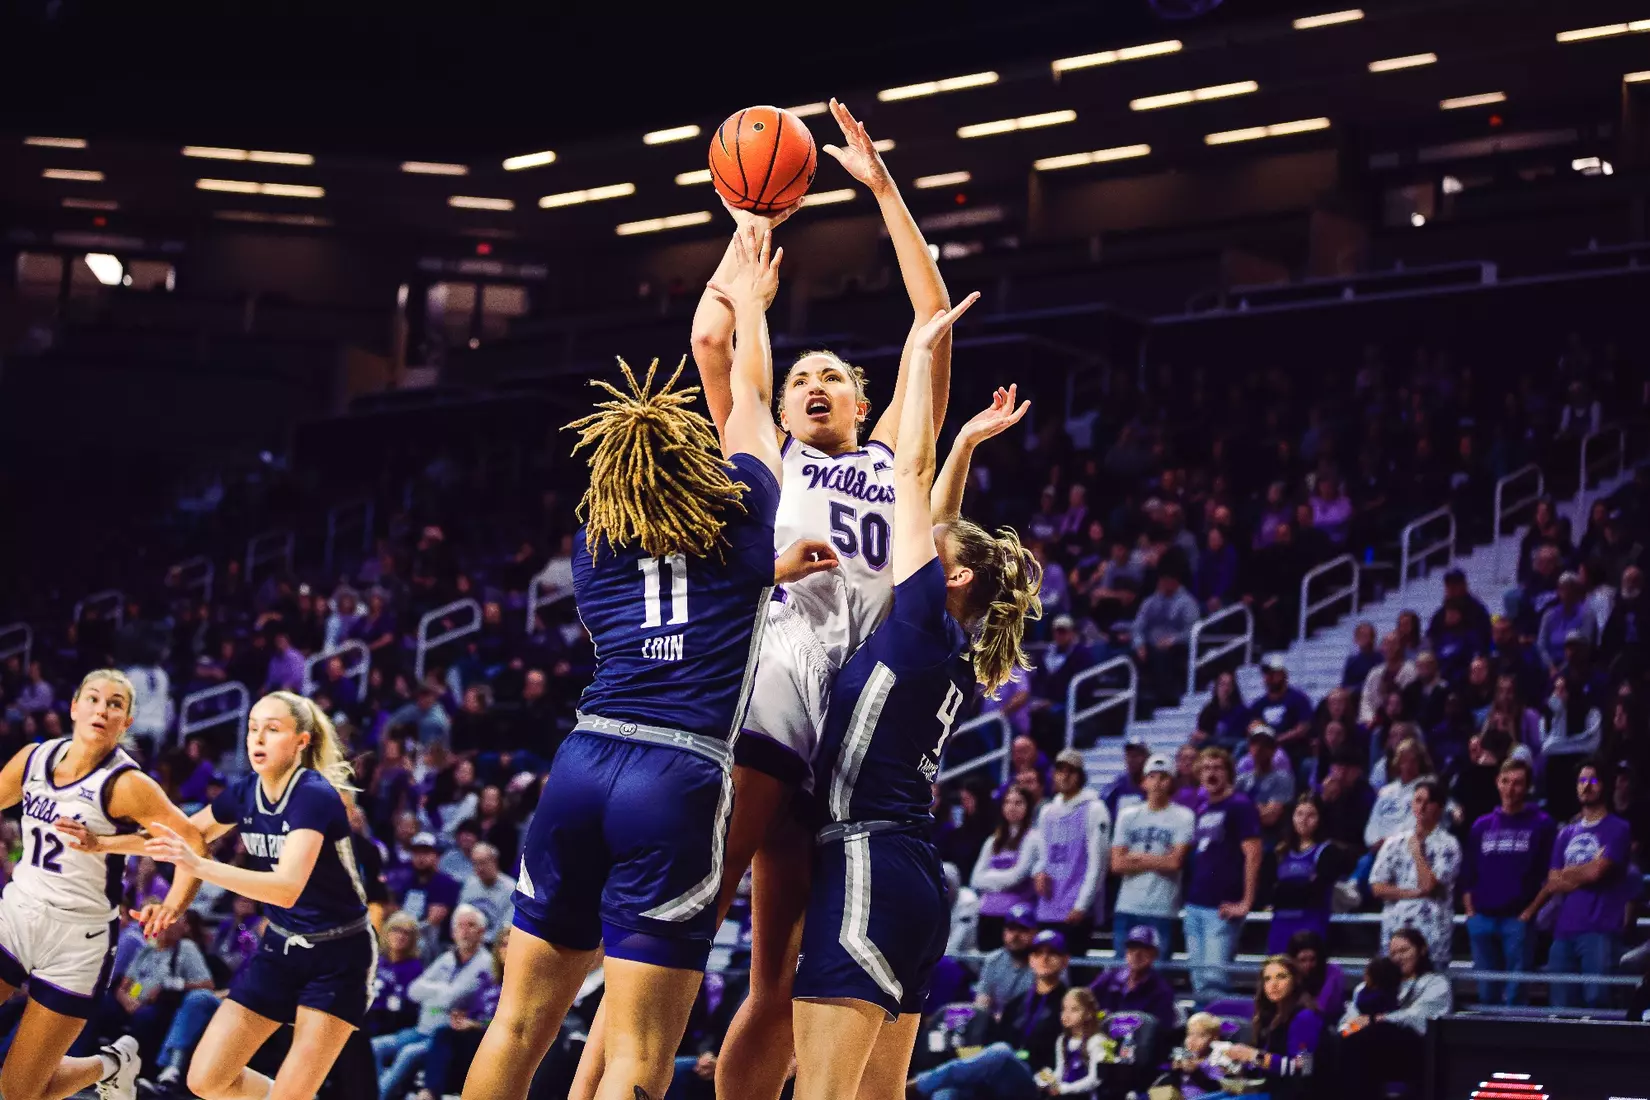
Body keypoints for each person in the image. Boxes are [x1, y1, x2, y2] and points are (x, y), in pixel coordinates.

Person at [462, 222, 802, 1100]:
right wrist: (754, 289)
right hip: (676, 773)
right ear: (702, 470)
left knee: (518, 1023)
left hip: (583, 762)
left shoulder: (596, 539)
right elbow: (745, 386)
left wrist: (735, 236)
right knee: (641, 1056)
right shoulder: (744, 521)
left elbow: (700, 346)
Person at [682, 99, 960, 1100]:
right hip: (772, 708)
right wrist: (748, 221)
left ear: (861, 396)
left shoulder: (893, 461)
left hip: (855, 746)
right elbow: (718, 342)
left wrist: (884, 190)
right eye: (800, 373)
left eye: (832, 375)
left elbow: (932, 320)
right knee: (685, 921)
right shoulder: (767, 449)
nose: (812, 384)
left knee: (777, 976)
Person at [791, 292, 1039, 1100]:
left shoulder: (922, 620)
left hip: (866, 854)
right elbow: (940, 510)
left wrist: (920, 354)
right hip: (913, 873)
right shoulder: (942, 638)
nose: (910, 537)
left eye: (928, 550)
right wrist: (968, 439)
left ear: (951, 577)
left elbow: (912, 476)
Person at [113, 690, 374, 1100]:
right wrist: (102, 843)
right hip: (281, 948)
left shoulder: (314, 795)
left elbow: (287, 889)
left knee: (293, 1092)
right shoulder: (245, 791)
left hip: (338, 954)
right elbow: (184, 835)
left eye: (272, 729)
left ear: (301, 741)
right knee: (206, 1079)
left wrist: (199, 866)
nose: (258, 739)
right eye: (253, 728)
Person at [0, 669, 206, 1100]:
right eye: (93, 698)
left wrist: (172, 905)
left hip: (79, 939)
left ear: (126, 722)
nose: (102, 709)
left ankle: (114, 1063)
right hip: (16, 915)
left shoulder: (128, 785)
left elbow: (192, 841)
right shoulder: (33, 760)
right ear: (74, 707)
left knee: (19, 1093)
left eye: (115, 704)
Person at [905, 930, 1070, 1100]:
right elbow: (999, 1040)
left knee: (1001, 1052)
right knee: (948, 1093)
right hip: (1002, 1076)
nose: (1044, 958)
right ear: (1031, 959)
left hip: (1038, 1081)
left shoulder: (1068, 1004)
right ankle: (920, 1087)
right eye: (1038, 953)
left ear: (1065, 960)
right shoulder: (1017, 1003)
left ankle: (915, 1086)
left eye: (1053, 953)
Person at [1525, 759, 1632, 1009]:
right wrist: (1584, 870)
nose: (1586, 786)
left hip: (1600, 929)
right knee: (1561, 1005)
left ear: (1604, 786)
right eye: (1582, 781)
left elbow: (1597, 873)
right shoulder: (1565, 833)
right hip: (1564, 930)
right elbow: (1553, 880)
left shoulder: (1618, 828)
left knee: (1597, 1001)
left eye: (1593, 780)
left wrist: (1569, 874)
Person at [1461, 758, 1555, 1006]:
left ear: (1527, 787)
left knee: (1516, 992)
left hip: (1518, 918)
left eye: (1517, 783)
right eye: (1506, 781)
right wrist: (1470, 912)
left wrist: (1530, 913)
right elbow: (1468, 873)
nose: (1510, 789)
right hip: (1482, 917)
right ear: (1497, 783)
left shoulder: (1542, 824)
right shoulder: (1481, 826)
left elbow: (1550, 875)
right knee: (1486, 991)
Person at [377, 904, 494, 1098]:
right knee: (376, 1047)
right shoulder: (447, 958)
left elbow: (451, 998)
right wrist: (442, 990)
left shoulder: (485, 965)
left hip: (444, 1035)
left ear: (482, 932)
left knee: (408, 1054)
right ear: (453, 932)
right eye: (460, 926)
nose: (465, 931)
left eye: (471, 925)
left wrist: (433, 992)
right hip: (421, 1029)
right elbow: (413, 991)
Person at [1184, 747, 1262, 999]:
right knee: (1198, 981)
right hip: (1196, 903)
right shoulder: (1202, 806)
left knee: (1215, 981)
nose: (1211, 773)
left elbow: (1253, 853)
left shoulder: (1240, 805)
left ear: (1228, 772)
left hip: (1222, 907)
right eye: (1206, 768)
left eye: (1217, 768)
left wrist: (1246, 902)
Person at [1337, 930, 1452, 1100]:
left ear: (1422, 950)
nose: (1398, 958)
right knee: (1341, 1039)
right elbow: (1350, 1022)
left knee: (1372, 1034)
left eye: (1404, 951)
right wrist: (1349, 1029)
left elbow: (1418, 1018)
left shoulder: (1434, 983)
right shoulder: (1367, 987)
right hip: (1367, 1046)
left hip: (1413, 1051)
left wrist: (1377, 1019)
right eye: (1393, 953)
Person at [1370, 777, 1461, 965]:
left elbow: (1430, 886)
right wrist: (1413, 893)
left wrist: (1418, 852)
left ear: (1439, 807)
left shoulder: (1449, 844)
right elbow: (1377, 887)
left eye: (1428, 802)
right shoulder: (1394, 842)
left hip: (1431, 933)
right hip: (1395, 929)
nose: (1422, 807)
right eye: (1418, 800)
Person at [1109, 753, 1194, 952]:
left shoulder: (1183, 816)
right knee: (1122, 973)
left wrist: (1136, 857)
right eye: (1152, 776)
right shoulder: (1127, 816)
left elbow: (1175, 863)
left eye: (1163, 777)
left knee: (1156, 975)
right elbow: (1117, 864)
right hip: (1127, 906)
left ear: (1171, 783)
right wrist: (1160, 860)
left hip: (1162, 909)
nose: (1157, 783)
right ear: (1143, 782)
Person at [1033, 750, 1112, 948]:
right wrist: (1038, 873)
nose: (1065, 776)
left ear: (1081, 775)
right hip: (1048, 905)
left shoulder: (1094, 809)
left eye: (1072, 771)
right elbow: (1043, 855)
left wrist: (1082, 905)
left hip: (1075, 906)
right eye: (1060, 770)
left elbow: (1098, 864)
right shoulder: (1047, 811)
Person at [1225, 956, 1324, 1100]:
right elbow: (1264, 1065)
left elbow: (1303, 1068)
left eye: (1281, 977)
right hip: (1267, 1090)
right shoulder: (1268, 1016)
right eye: (1267, 979)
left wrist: (1254, 1056)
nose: (1273, 984)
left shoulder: (1305, 1017)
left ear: (1295, 980)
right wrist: (1238, 1064)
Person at [1270, 795, 1349, 954]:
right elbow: (1272, 890)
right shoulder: (1281, 851)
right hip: (1280, 922)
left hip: (1311, 922)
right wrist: (1299, 887)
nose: (1304, 820)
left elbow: (1316, 890)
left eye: (1311, 815)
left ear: (1320, 818)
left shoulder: (1327, 851)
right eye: (1299, 814)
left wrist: (1285, 889)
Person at [970, 787, 1044, 951]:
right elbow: (975, 878)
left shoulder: (1033, 838)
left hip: (1016, 918)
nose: (1012, 807)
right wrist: (1002, 880)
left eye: (1018, 803)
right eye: (1008, 802)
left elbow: (1017, 876)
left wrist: (990, 878)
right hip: (987, 914)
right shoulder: (993, 840)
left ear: (1028, 807)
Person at [1089, 925, 1177, 1033]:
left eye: (1143, 949)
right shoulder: (1108, 978)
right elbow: (1085, 999)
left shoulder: (1162, 990)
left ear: (1155, 954)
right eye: (1132, 948)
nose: (1136, 954)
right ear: (1126, 952)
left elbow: (1162, 1031)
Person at [1248, 655, 1315, 773]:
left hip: (1292, 747)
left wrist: (1278, 739)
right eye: (1266, 674)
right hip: (1264, 746)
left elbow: (1303, 728)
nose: (1268, 678)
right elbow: (1253, 726)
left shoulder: (1298, 699)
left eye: (1273, 674)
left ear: (1283, 674)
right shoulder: (1259, 703)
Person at [974, 903, 1038, 1018]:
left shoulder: (1044, 962)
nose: (1016, 935)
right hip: (995, 1026)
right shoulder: (993, 960)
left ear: (1035, 933)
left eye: (1023, 929)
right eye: (1011, 929)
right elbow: (982, 1005)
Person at [1043, 988, 1106, 1099]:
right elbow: (1060, 1071)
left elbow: (1095, 1079)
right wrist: (1049, 1081)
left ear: (1089, 1014)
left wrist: (1065, 1089)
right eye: (1064, 1009)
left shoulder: (1096, 1041)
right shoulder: (1062, 1040)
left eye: (1074, 1010)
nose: (1066, 1014)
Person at [1287, 929, 1348, 1022]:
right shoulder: (1286, 974)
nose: (1308, 965)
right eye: (1302, 960)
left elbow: (1325, 1010)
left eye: (1312, 959)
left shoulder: (1333, 972)